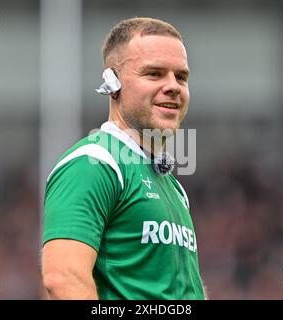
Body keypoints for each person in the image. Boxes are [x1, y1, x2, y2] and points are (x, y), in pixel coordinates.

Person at [41, 17, 206, 300]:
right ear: (112, 82)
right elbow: (64, 279)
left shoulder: (173, 187)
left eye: (181, 77)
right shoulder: (94, 162)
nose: (173, 86)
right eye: (154, 74)